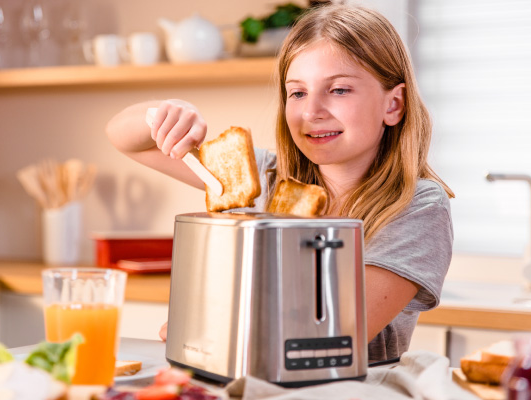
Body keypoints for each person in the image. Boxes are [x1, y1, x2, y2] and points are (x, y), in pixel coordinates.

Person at [106, 4, 454, 362]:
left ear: (393, 105)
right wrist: (165, 113)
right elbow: (124, 137)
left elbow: (336, 330)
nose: (311, 112)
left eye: (338, 90)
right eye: (298, 93)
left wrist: (208, 325)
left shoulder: (417, 205)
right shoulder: (265, 178)